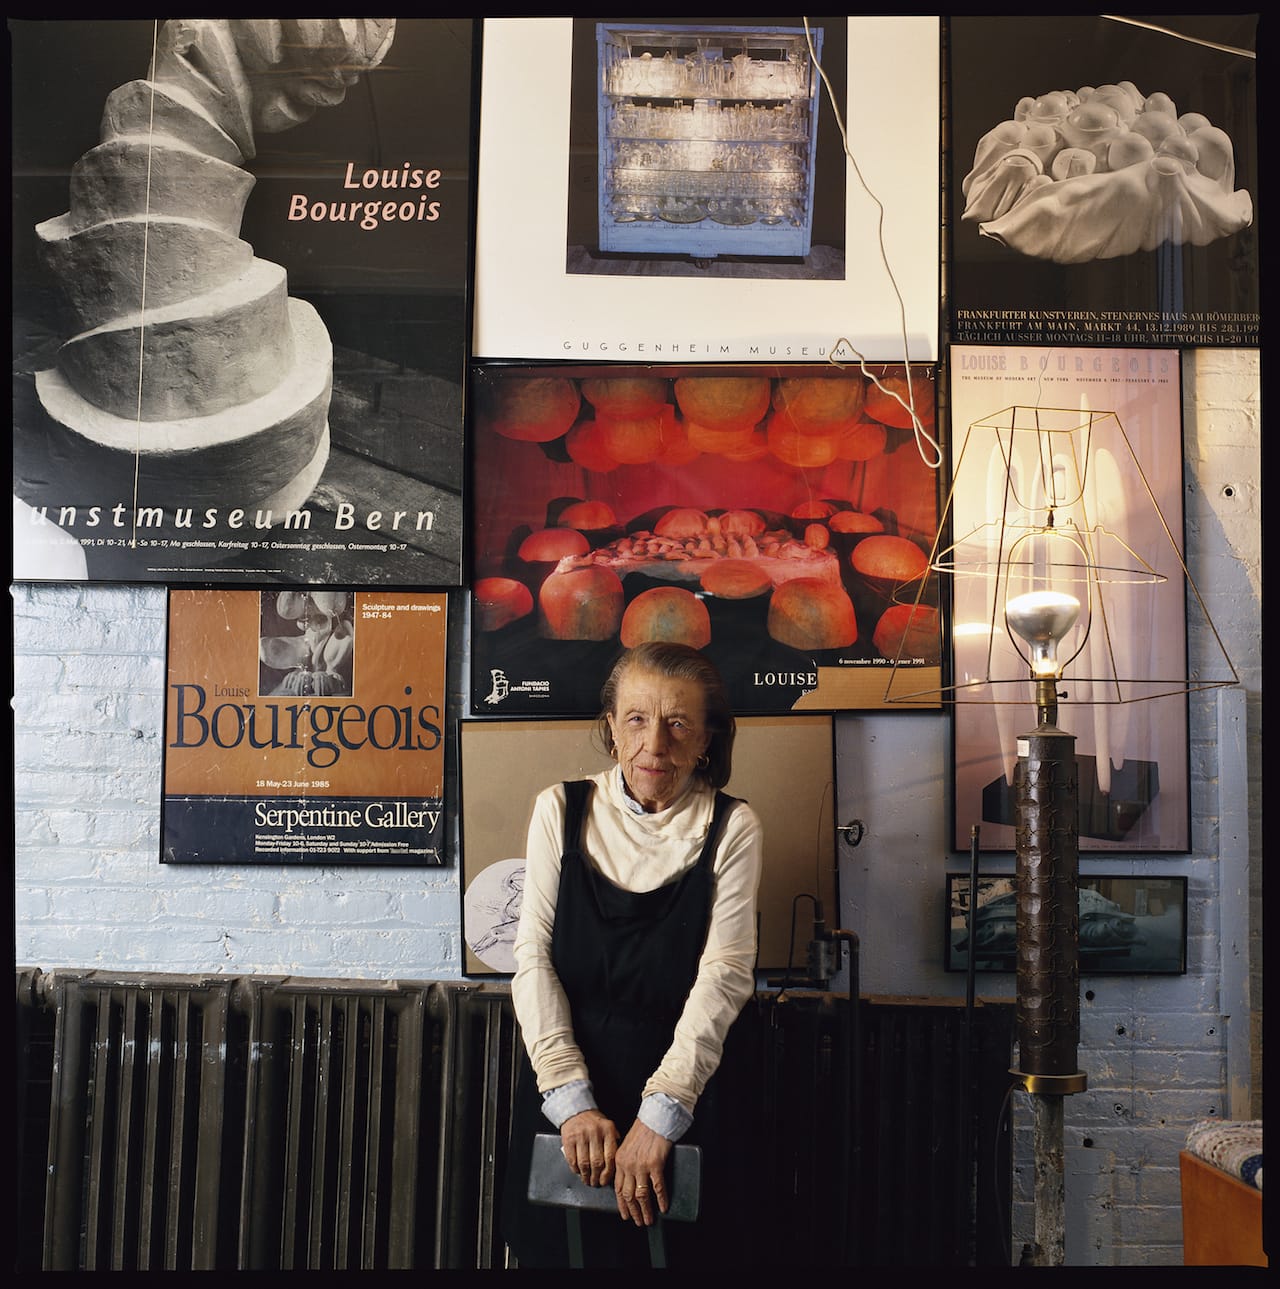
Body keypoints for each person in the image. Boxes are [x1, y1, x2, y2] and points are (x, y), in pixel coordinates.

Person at [502, 641, 763, 1268]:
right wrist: (570, 1100)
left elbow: (723, 977)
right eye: (638, 719)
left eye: (678, 723)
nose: (656, 743)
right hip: (563, 1087)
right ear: (612, 727)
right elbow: (532, 957)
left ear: (706, 738)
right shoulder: (558, 808)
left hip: (686, 1095)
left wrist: (662, 1115)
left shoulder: (733, 826)